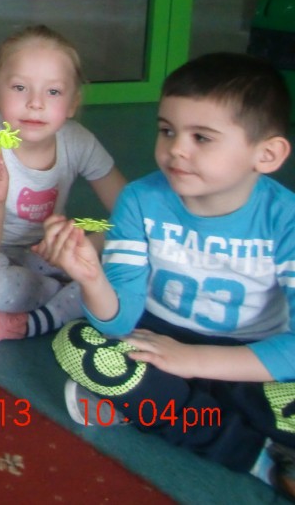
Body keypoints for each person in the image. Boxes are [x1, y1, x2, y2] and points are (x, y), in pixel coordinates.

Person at [38, 53, 295, 495]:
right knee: (76, 344)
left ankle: (164, 405)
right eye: (167, 130)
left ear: (267, 154)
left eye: (202, 137)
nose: (176, 149)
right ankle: (254, 456)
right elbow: (117, 322)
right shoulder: (140, 200)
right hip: (154, 342)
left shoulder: (285, 219)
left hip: (250, 358)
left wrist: (193, 360)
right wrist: (91, 277)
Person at [0, 25, 125, 344]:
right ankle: (61, 301)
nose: (35, 103)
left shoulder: (77, 141)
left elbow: (132, 211)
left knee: (131, 262)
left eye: (53, 92)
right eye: (20, 87)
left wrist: (85, 245)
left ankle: (33, 312)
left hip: (45, 254)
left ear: (72, 103)